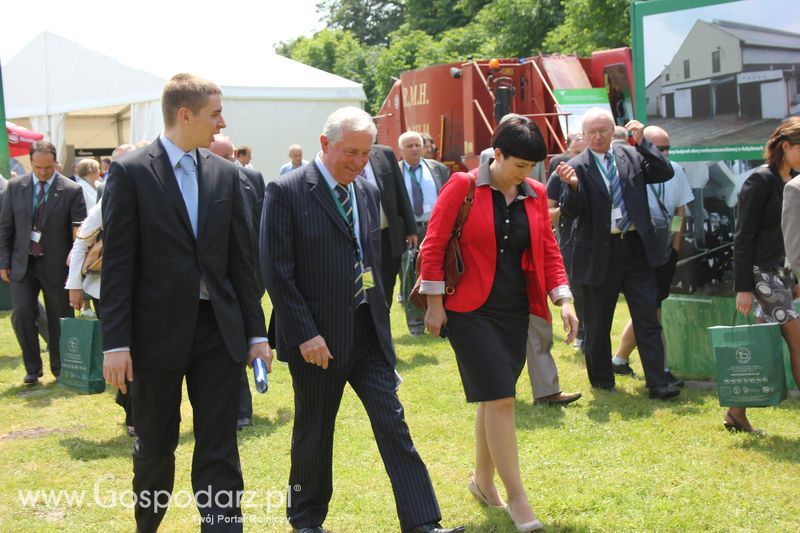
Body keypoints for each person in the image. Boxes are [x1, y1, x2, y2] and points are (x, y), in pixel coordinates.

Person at [262, 106, 464, 533]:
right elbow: (277, 272)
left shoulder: (367, 192)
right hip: (317, 340)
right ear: (324, 144)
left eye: (365, 153)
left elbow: (369, 259)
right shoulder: (287, 191)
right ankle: (306, 520)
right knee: (315, 432)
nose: (358, 161)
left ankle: (423, 522)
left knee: (394, 423)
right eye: (350, 152)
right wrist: (305, 334)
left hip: (367, 332)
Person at [101, 73, 272, 530]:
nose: (222, 122)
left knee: (219, 443)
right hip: (153, 336)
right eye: (215, 114)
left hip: (218, 330)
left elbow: (242, 265)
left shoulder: (226, 174)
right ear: (185, 114)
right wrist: (115, 343)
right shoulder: (131, 171)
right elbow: (118, 265)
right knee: (156, 446)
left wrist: (257, 334)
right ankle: (148, 525)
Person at [421, 115, 577, 532]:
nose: (526, 175)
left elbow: (548, 251)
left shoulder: (537, 193)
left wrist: (563, 298)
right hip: (469, 310)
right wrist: (435, 305)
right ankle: (517, 499)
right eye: (519, 166)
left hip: (514, 311)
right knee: (503, 399)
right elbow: (433, 244)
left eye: (532, 168)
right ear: (499, 153)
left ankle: (482, 481)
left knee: (494, 398)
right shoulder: (462, 186)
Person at [556, 108, 680, 400]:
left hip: (635, 247)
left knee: (647, 316)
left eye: (603, 130)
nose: (598, 136)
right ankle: (602, 380)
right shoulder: (576, 165)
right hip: (599, 252)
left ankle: (657, 381)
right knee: (598, 322)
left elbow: (665, 171)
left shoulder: (631, 156)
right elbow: (569, 213)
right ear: (584, 136)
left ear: (613, 131)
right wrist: (571, 187)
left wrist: (644, 143)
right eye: (592, 132)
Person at [730, 117, 800, 433]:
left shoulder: (795, 181)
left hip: (784, 274)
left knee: (760, 345)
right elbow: (743, 238)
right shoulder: (759, 182)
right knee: (797, 340)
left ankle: (735, 412)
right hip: (761, 275)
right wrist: (743, 287)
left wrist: (796, 278)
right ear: (786, 146)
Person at [611, 125, 694, 387]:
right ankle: (659, 368)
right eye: (659, 148)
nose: (665, 153)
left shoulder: (676, 170)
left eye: (668, 147)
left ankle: (620, 359)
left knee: (651, 309)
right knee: (651, 311)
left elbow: (680, 212)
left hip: (664, 251)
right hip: (639, 251)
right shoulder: (631, 168)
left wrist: (674, 247)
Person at [0, 141, 86, 385]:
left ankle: (60, 367)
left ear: (55, 162)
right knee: (21, 313)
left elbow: (79, 231)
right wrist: (3, 261)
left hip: (57, 265)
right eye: (38, 167)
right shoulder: (15, 187)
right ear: (31, 163)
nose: (43, 172)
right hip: (22, 263)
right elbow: (5, 227)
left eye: (48, 167)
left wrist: (76, 268)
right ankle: (32, 368)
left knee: (60, 316)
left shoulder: (71, 189)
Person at [209, 133, 266, 430]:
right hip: (219, 280)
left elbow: (262, 223)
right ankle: (238, 410)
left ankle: (244, 409)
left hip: (249, 275)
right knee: (229, 345)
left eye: (230, 155)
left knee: (251, 339)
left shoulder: (252, 178)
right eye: (221, 156)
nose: (228, 162)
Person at [397, 130, 450, 334]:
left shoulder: (438, 169)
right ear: (401, 149)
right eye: (409, 146)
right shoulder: (395, 171)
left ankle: (439, 318)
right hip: (408, 231)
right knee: (410, 275)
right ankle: (416, 325)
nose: (414, 149)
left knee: (438, 272)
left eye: (417, 144)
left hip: (434, 227)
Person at [362, 143, 418, 307]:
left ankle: (383, 326)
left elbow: (400, 191)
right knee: (368, 286)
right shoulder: (346, 156)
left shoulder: (384, 154)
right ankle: (369, 324)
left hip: (387, 237)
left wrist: (410, 229)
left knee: (387, 285)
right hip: (362, 242)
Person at [546, 133, 588, 350]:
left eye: (583, 152)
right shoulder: (557, 176)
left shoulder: (595, 173)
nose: (579, 157)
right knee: (577, 289)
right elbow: (546, 211)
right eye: (575, 152)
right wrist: (567, 208)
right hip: (570, 241)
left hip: (595, 241)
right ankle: (581, 335)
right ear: (567, 152)